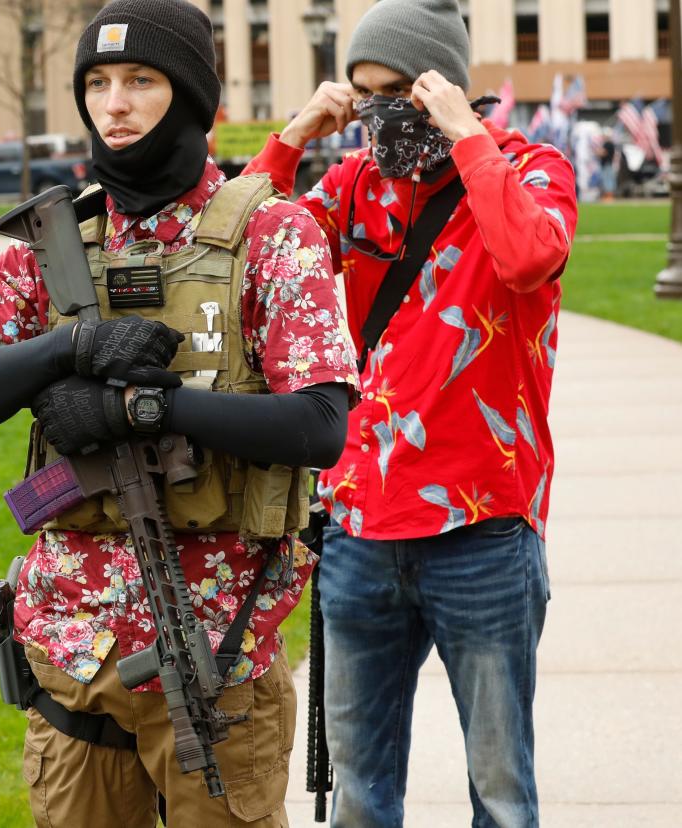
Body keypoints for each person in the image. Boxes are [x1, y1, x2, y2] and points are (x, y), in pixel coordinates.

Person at [0, 1, 359, 824]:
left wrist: (153, 410)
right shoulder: (52, 243)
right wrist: (67, 352)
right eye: (97, 82)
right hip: (72, 653)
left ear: (190, 96)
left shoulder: (273, 233)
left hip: (215, 656)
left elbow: (319, 426)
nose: (114, 104)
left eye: (140, 81)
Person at [241, 1, 577, 825]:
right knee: (360, 794)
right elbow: (239, 247)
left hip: (485, 530)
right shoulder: (356, 184)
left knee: (501, 795)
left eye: (406, 92)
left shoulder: (531, 168)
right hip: (360, 528)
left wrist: (468, 136)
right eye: (366, 96)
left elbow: (531, 256)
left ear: (448, 86)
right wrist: (296, 135)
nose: (384, 115)